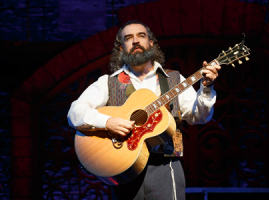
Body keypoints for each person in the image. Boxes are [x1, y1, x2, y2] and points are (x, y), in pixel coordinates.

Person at [67, 20, 221, 200]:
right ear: (122, 48)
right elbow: (74, 113)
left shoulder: (174, 79)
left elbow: (200, 117)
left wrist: (207, 88)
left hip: (167, 164)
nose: (136, 41)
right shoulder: (107, 83)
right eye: (128, 38)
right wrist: (107, 122)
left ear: (151, 44)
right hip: (121, 166)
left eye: (141, 36)